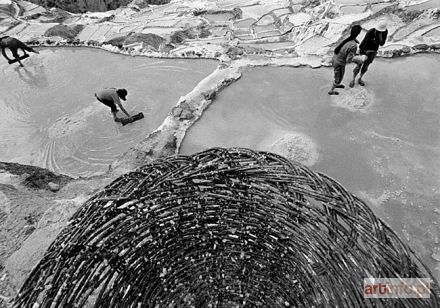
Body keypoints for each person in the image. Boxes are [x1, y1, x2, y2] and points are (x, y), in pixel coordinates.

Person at [350, 20, 388, 87]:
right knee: (358, 66)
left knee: (365, 67)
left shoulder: (385, 32)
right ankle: (353, 79)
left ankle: (360, 78)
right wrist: (361, 53)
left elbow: (382, 44)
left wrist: (380, 36)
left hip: (373, 52)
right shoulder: (371, 31)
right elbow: (364, 42)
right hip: (365, 50)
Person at [328, 25, 364, 95]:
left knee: (337, 75)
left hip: (335, 59)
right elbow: (348, 60)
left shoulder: (346, 39)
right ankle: (331, 90)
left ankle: (337, 84)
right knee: (338, 78)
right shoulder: (353, 45)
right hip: (340, 63)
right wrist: (358, 59)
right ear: (359, 33)